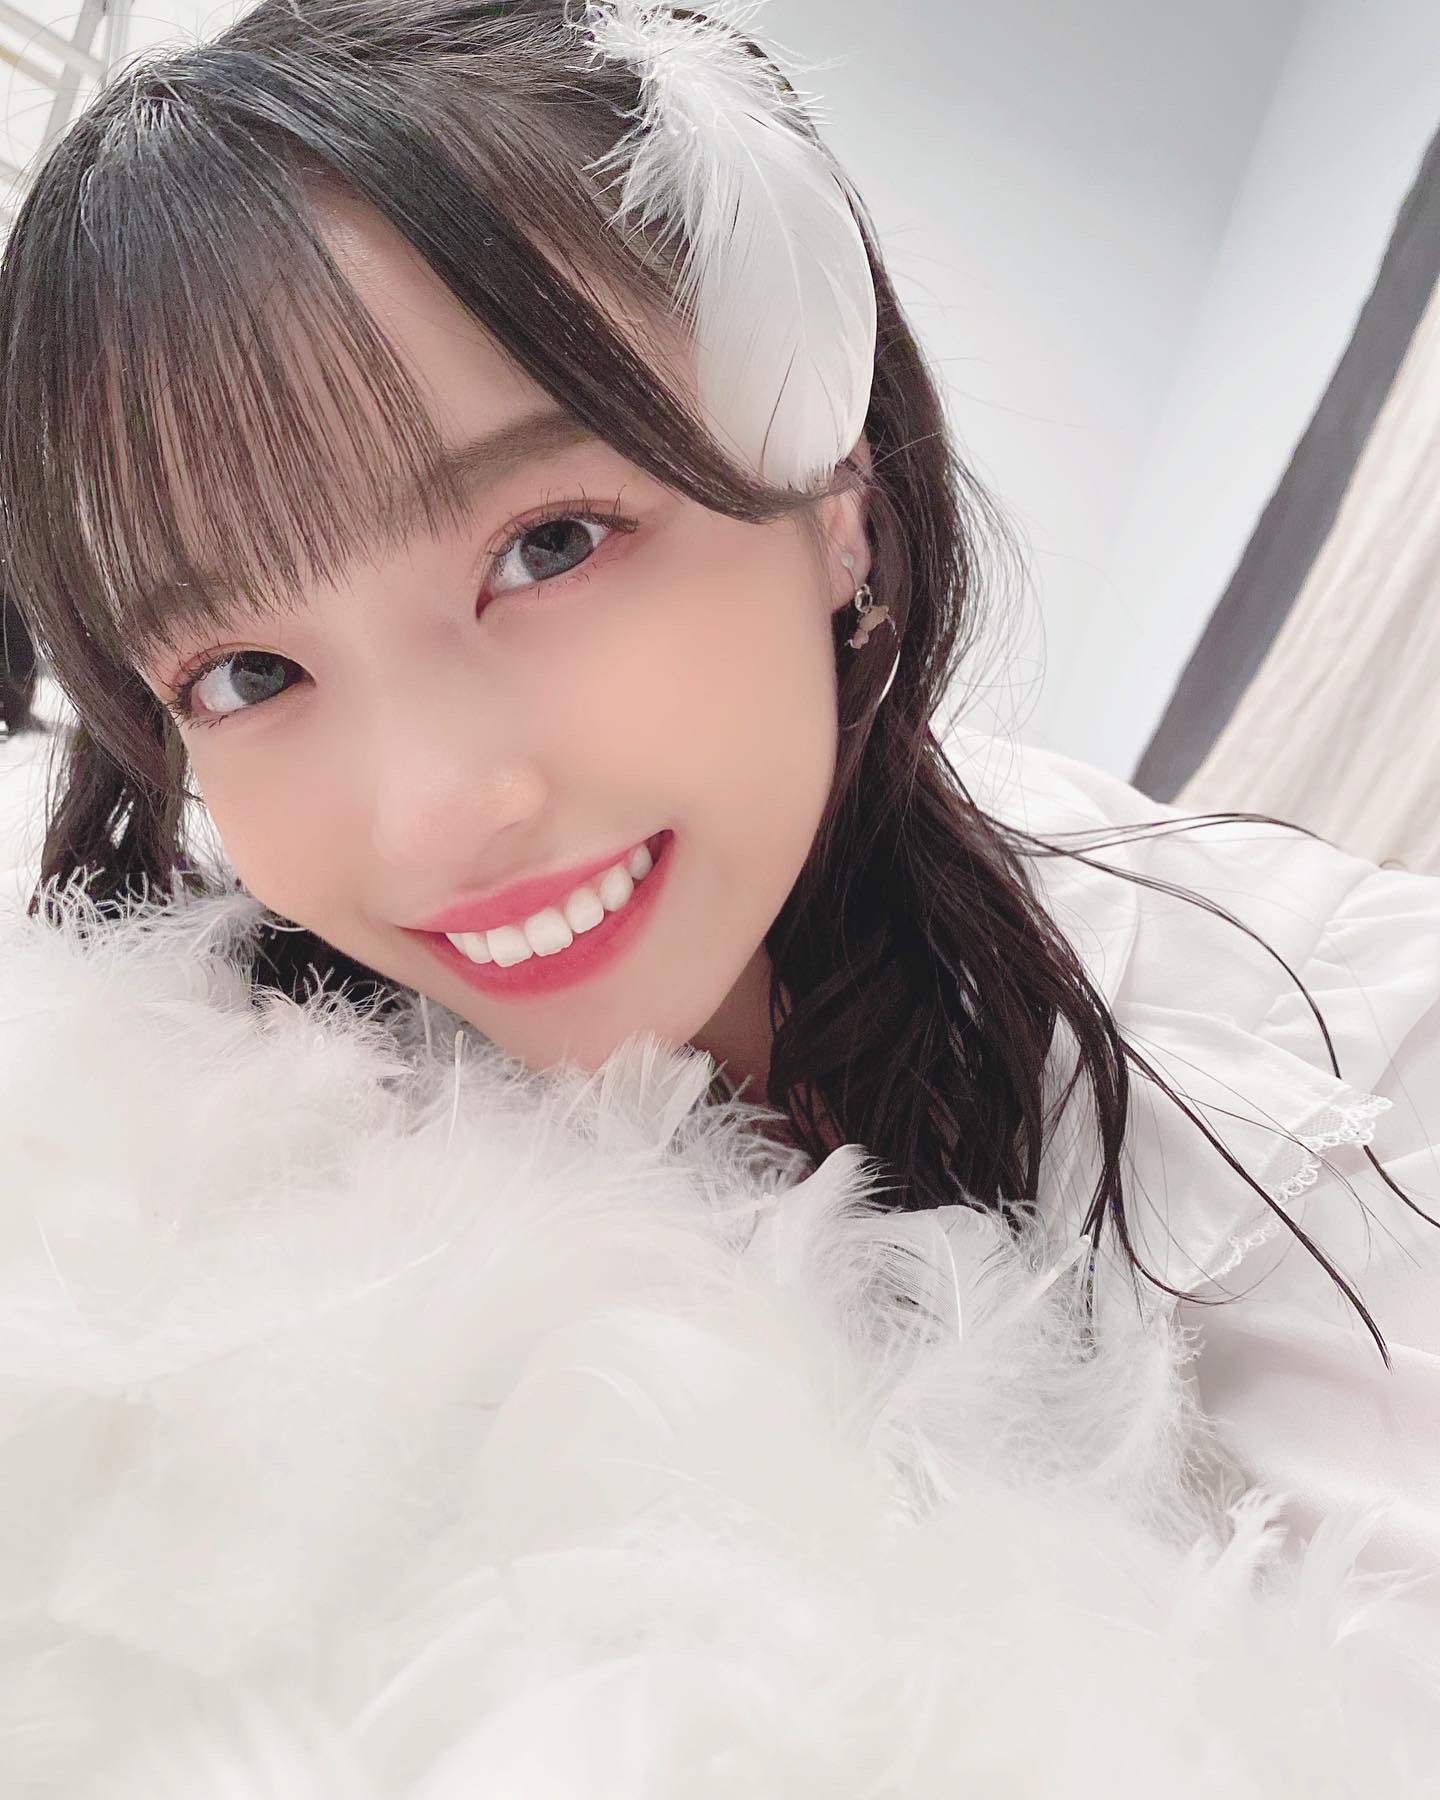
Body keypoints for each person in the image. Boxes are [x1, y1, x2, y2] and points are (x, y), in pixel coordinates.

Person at [2, 0, 1437, 1573]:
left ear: (837, 505)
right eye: (246, 675)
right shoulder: (169, 1187)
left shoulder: (1319, 1051)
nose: (436, 815)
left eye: (549, 545)